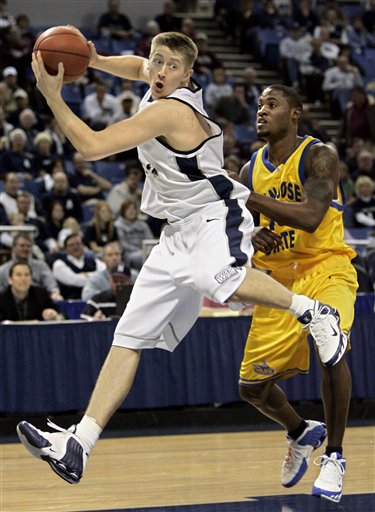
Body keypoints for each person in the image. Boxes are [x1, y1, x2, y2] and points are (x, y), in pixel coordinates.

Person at [17, 32, 348, 490]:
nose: (158, 71)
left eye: (171, 66)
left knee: (218, 277)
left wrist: (53, 96)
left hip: (213, 216)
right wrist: (94, 59)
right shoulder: (157, 79)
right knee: (128, 336)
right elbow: (136, 67)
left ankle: (315, 313)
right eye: (157, 62)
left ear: (189, 74)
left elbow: (92, 147)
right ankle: (80, 444)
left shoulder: (172, 110)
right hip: (174, 233)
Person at [234, 84, 357, 503]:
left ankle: (335, 457)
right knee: (252, 388)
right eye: (259, 104)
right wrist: (251, 234)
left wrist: (250, 199)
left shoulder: (319, 156)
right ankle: (301, 431)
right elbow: (232, 228)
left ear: (296, 114)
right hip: (279, 281)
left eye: (272, 104)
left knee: (330, 344)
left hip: (326, 266)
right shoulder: (251, 168)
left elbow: (309, 216)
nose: (261, 111)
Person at [0, 233, 63, 299]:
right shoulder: (3, 269)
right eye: (22, 246)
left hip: (39, 301)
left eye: (28, 246)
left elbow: (52, 285)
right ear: (14, 247)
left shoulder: (41, 266)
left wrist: (54, 293)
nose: (25, 249)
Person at [52, 233, 105, 299]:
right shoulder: (59, 264)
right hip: (71, 301)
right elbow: (74, 280)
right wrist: (95, 276)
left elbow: (104, 274)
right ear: (65, 248)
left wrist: (86, 275)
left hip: (95, 299)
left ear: (83, 246)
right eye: (71, 245)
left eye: (78, 244)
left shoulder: (94, 260)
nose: (75, 247)